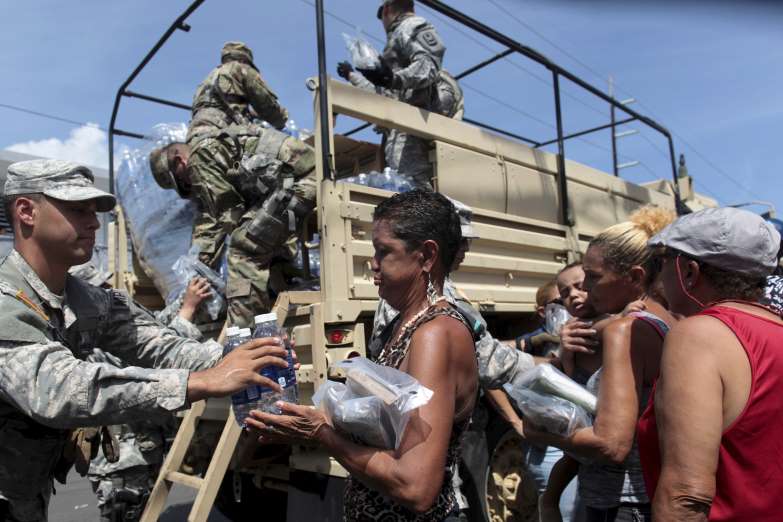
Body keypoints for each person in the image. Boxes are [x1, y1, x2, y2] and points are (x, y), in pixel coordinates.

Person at [0, 159, 291, 522]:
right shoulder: (6, 299)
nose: (93, 222)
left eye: (94, 211)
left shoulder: (85, 300)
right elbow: (59, 390)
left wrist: (240, 357)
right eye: (77, 210)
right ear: (26, 211)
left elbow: (161, 345)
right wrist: (199, 382)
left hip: (25, 489)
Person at [247, 190, 478, 521]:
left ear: (426, 256)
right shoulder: (405, 324)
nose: (372, 263)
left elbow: (415, 487)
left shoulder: (435, 334)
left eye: (384, 252)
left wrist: (320, 434)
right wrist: (306, 421)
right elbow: (386, 436)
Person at [525, 206, 676, 522]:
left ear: (634, 276)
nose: (586, 290)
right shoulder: (661, 320)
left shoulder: (625, 330)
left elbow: (611, 444)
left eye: (593, 278)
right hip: (632, 497)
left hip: (624, 504)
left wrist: (538, 433)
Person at [636, 207, 782, 520]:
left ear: (689, 271)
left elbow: (686, 495)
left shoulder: (699, 336)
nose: (659, 274)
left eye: (663, 262)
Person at [68, 267, 212, 522]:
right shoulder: (89, 341)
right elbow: (145, 355)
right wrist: (187, 310)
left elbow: (151, 325)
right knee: (126, 513)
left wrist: (183, 300)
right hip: (123, 460)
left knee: (141, 512)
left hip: (140, 451)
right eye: (98, 290)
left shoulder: (99, 325)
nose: (106, 294)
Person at [149, 123, 316, 328]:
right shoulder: (211, 145)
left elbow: (229, 214)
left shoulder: (198, 159)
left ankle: (244, 336)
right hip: (299, 176)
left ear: (180, 161)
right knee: (259, 240)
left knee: (242, 248)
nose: (187, 186)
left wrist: (206, 267)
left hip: (300, 181)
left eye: (181, 182)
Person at [337, 0, 464, 189]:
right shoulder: (399, 38)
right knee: (407, 186)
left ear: (387, 10)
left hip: (417, 119)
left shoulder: (410, 26)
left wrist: (392, 79)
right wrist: (353, 76)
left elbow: (428, 64)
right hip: (407, 122)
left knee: (413, 187)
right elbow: (385, 94)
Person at [187, 41, 288, 144]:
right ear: (243, 59)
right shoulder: (241, 68)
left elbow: (220, 105)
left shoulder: (208, 79)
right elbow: (267, 104)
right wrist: (281, 119)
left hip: (194, 138)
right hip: (226, 134)